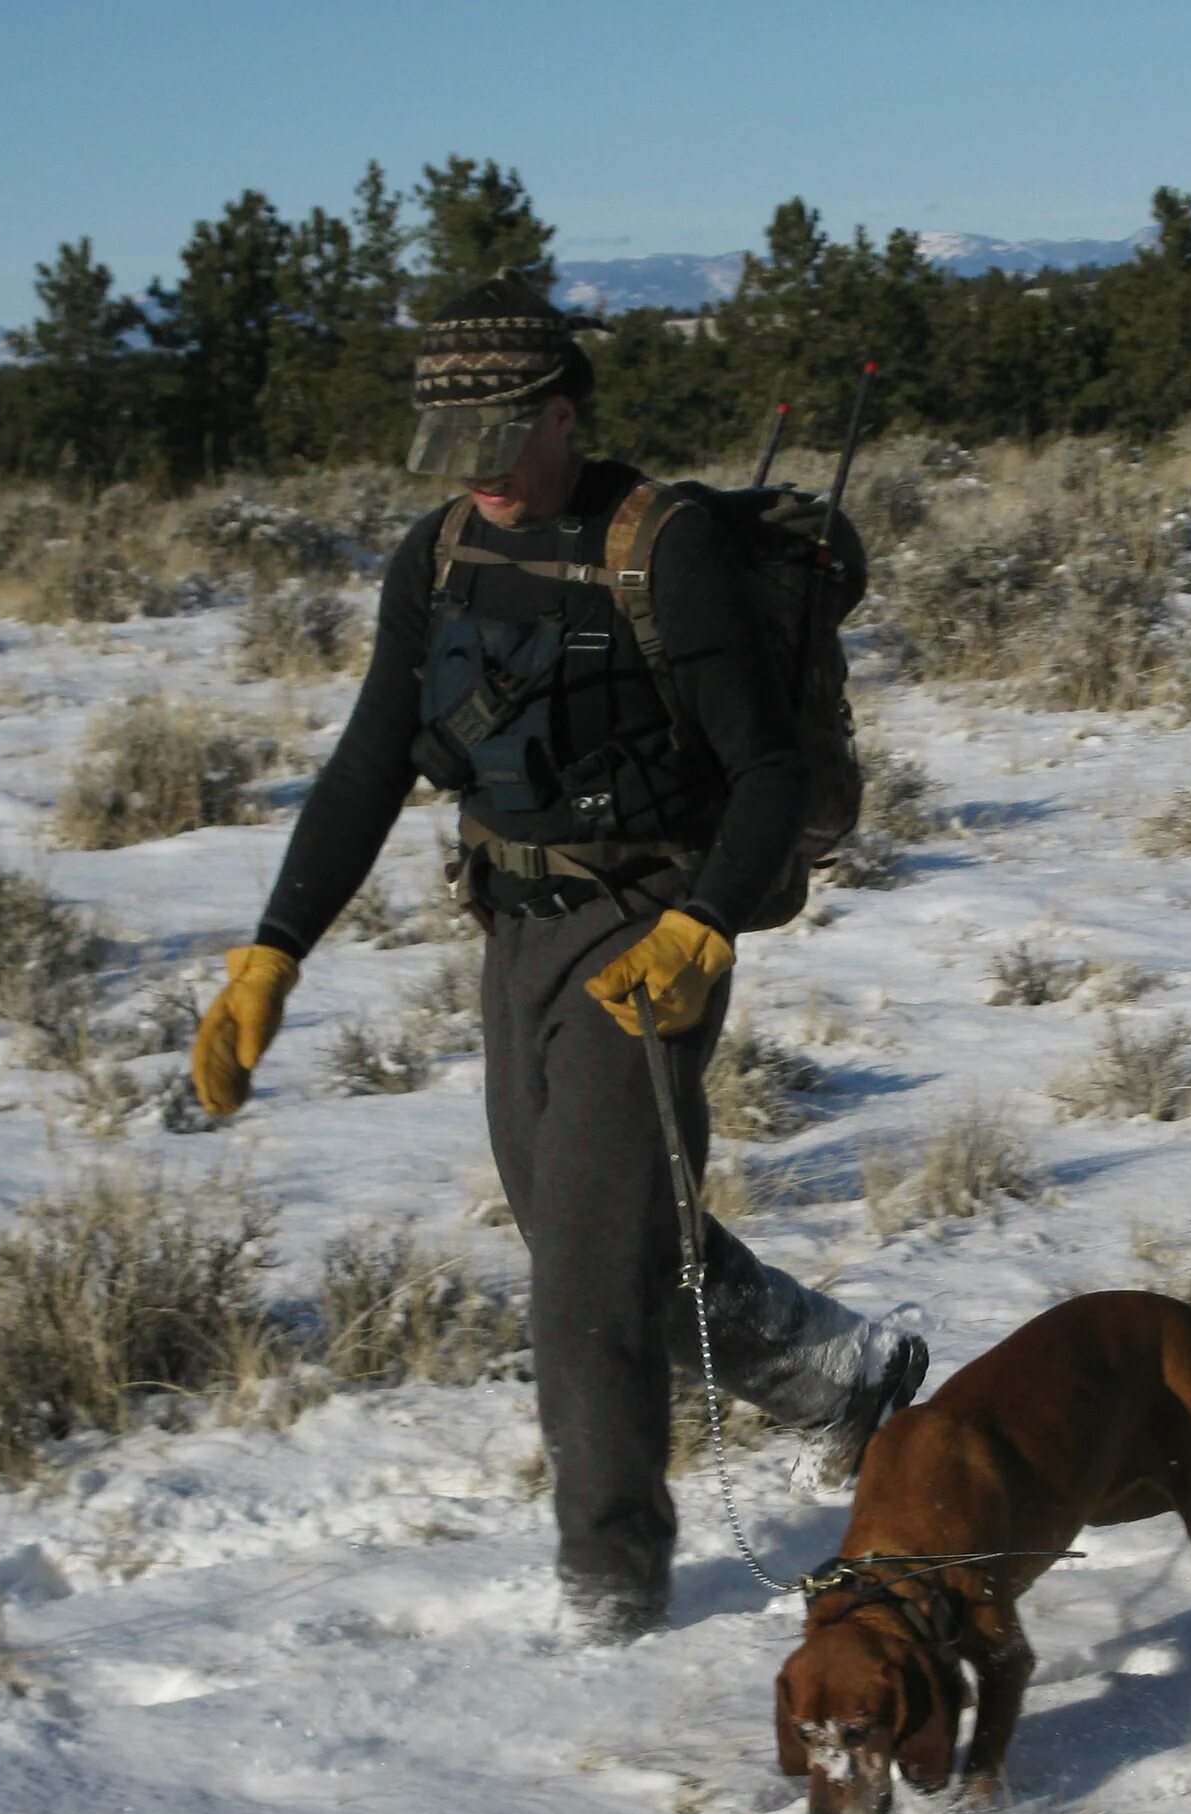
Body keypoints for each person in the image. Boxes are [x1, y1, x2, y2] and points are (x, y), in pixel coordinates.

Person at [188, 276, 926, 1644]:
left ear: (564, 415)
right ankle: (841, 1374)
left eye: (499, 444)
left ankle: (611, 1592)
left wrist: (704, 926)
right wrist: (273, 953)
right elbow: (368, 763)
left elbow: (767, 769)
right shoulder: (439, 555)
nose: (480, 477)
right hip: (511, 927)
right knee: (594, 1234)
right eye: (451, 451)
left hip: (648, 928)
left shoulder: (665, 546)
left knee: (584, 1285)